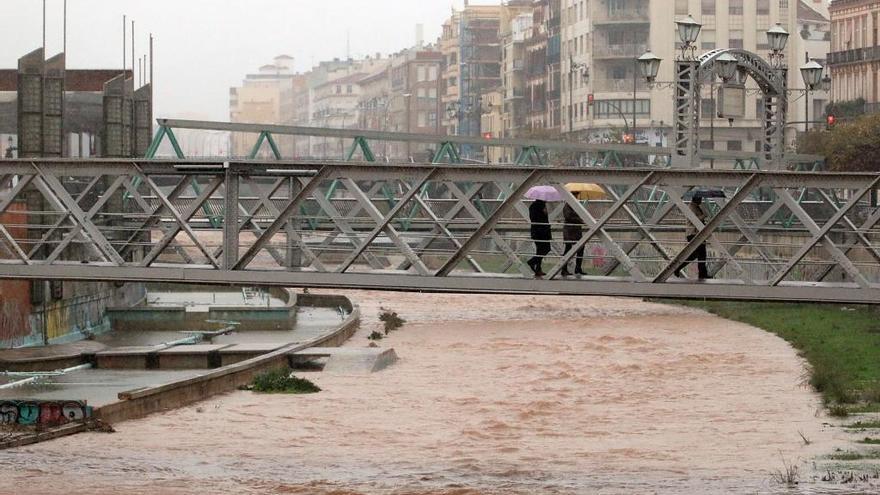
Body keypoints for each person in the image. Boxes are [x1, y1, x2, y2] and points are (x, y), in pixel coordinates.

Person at [675, 196, 711, 280]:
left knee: (701, 254)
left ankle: (702, 274)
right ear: (696, 199)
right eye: (700, 199)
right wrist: (704, 215)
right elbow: (694, 220)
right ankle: (678, 267)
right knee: (697, 254)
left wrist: (703, 211)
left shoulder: (696, 207)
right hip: (693, 234)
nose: (701, 200)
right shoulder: (691, 207)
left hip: (697, 234)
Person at [527, 199, 552, 277]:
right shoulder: (536, 206)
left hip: (540, 232)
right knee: (546, 248)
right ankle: (532, 261)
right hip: (540, 232)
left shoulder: (538, 206)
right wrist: (543, 212)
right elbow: (536, 218)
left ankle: (538, 269)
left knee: (540, 250)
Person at [561, 203, 585, 276]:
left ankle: (578, 268)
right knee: (568, 249)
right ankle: (564, 269)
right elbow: (568, 217)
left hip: (575, 230)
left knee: (581, 247)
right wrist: (579, 220)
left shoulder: (573, 205)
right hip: (570, 230)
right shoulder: (567, 206)